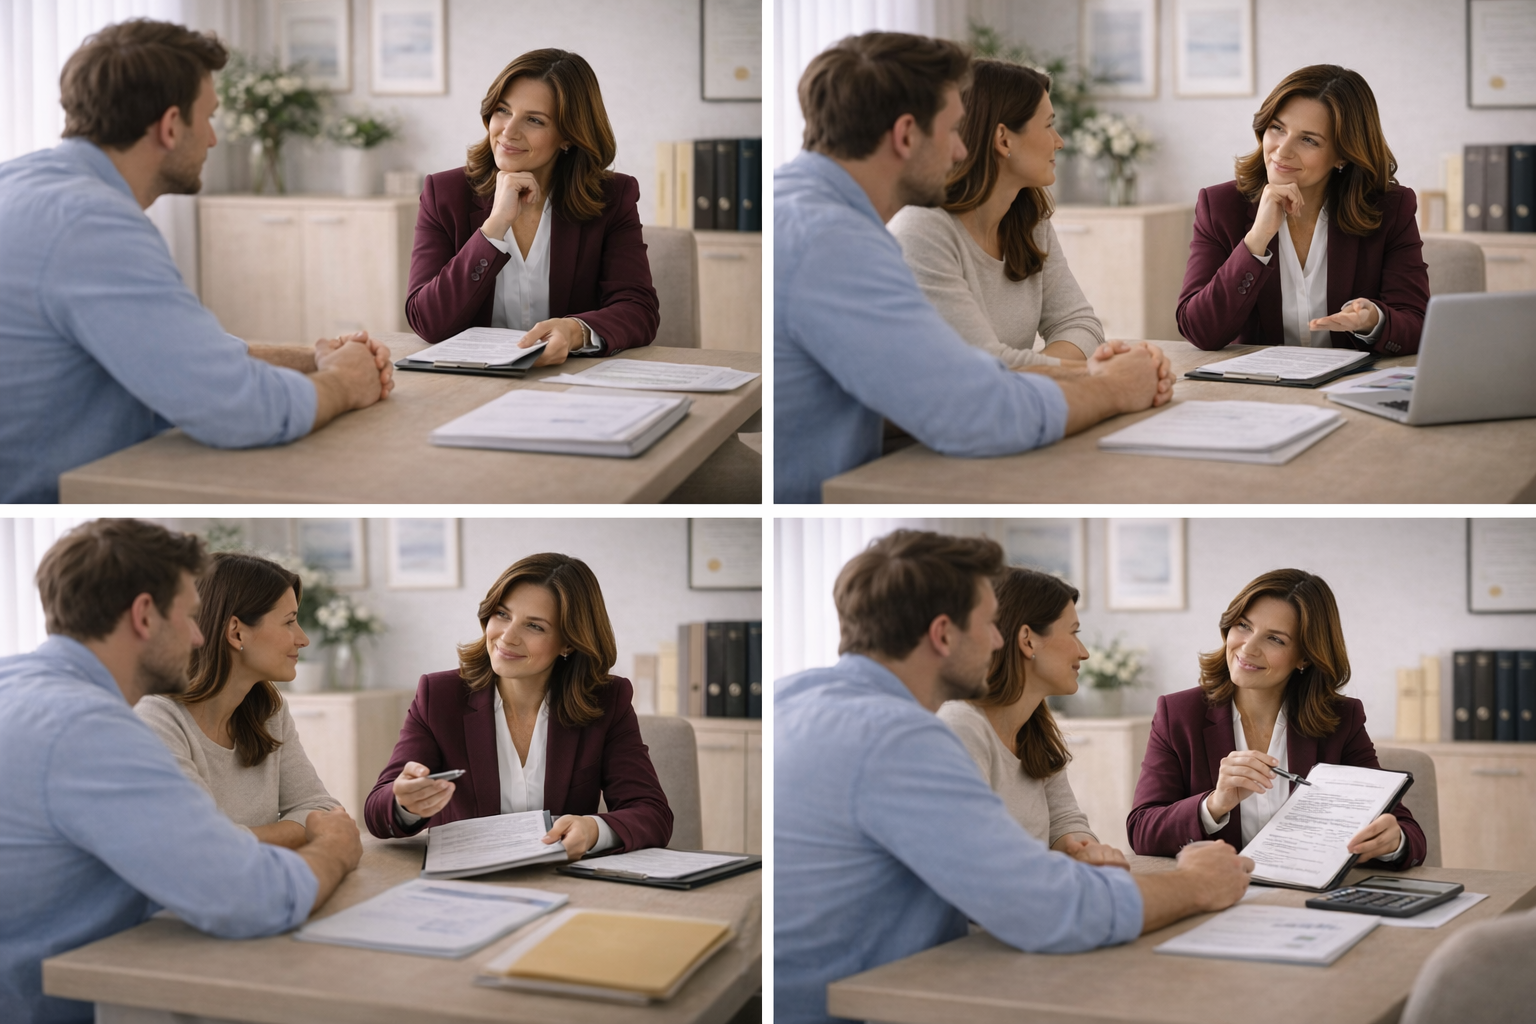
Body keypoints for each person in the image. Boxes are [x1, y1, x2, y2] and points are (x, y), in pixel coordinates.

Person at [776, 529, 1255, 1024]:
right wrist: (1197, 883)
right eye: (988, 623)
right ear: (943, 634)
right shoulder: (901, 738)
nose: (999, 639)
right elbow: (1045, 908)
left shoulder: (794, 697)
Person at [0, 19, 395, 504]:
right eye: (208, 118)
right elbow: (240, 410)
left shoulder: (22, 183)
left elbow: (173, 352)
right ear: (170, 126)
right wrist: (343, 382)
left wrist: (311, 359)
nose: (212, 139)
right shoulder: (93, 225)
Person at [774, 32, 1175, 505]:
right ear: (906, 135)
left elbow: (964, 379)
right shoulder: (837, 243)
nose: (961, 150)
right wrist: (1111, 387)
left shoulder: (808, 212)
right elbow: (977, 408)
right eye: (950, 131)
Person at [0, 520, 361, 1024]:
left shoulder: (16, 683)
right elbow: (252, 897)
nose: (198, 635)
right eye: (190, 615)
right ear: (145, 615)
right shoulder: (93, 731)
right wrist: (336, 846)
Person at [363, 553, 671, 859]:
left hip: (566, 884)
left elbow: (652, 814)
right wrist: (404, 804)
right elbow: (377, 813)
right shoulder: (439, 696)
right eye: (502, 614)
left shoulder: (607, 700)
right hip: (464, 887)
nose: (507, 638)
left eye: (534, 626)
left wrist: (593, 830)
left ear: (568, 643)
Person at [1128, 568, 1427, 866]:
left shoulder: (1340, 720)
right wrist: (1215, 804)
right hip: (1219, 896)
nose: (1248, 647)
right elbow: (1142, 830)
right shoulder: (1179, 714)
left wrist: (1393, 841)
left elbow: (1408, 834)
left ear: (1305, 657)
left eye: (1275, 639)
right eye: (1244, 626)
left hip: (1311, 900)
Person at [405, 48, 658, 364]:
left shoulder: (612, 196)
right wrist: (494, 227)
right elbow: (427, 322)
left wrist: (574, 331)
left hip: (571, 382)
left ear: (568, 136)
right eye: (503, 110)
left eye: (534, 120)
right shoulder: (444, 193)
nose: (508, 132)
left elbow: (638, 310)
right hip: (472, 383)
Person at [1176, 64, 1430, 355]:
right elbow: (1198, 330)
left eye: (1308, 139)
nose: (1282, 151)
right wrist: (1256, 241)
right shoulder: (1220, 206)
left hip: (1347, 387)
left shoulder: (1390, 209)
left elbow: (1418, 324)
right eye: (1277, 128)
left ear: (1343, 155)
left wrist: (1373, 320)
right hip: (1258, 389)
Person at [891, 58, 1108, 368]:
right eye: (1048, 125)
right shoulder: (921, 230)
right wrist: (1091, 375)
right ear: (1003, 138)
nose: (1059, 142)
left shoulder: (1029, 219)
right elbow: (980, 368)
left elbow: (1081, 325)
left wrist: (1036, 376)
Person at [136, 553, 340, 849]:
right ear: (236, 631)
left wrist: (236, 837)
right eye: (290, 622)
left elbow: (322, 809)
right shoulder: (156, 720)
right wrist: (297, 832)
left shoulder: (269, 711)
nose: (303, 639)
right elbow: (197, 842)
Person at [937, 567, 1126, 867]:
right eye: (1074, 633)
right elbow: (974, 858)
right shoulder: (960, 726)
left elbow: (1064, 820)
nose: (1084, 652)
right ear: (1028, 640)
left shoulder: (1033, 729)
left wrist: (1083, 848)